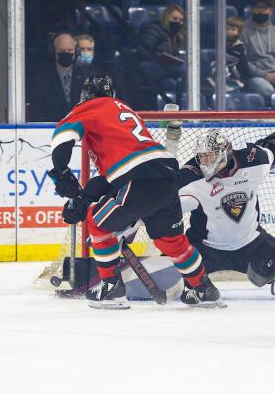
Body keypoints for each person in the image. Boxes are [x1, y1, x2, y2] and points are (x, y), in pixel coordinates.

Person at [48, 75, 221, 308]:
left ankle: (111, 288)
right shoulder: (124, 111)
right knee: (171, 240)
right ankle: (203, 288)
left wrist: (60, 171)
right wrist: (84, 197)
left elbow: (62, 136)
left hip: (139, 178)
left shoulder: (89, 107)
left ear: (86, 95)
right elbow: (112, 175)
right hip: (167, 174)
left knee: (96, 221)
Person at [178, 127, 275, 283]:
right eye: (202, 157)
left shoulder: (255, 160)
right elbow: (162, 207)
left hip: (252, 244)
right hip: (204, 249)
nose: (205, 162)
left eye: (210, 156)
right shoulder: (189, 177)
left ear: (224, 152)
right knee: (169, 276)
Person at [28, 32, 88, 122]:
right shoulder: (40, 81)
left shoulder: (86, 79)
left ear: (76, 51)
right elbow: (37, 114)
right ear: (53, 51)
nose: (66, 53)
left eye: (70, 50)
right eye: (62, 50)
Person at [138, 5, 186, 92]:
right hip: (147, 66)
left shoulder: (176, 37)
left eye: (181, 20)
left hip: (164, 69)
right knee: (184, 70)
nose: (178, 22)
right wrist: (160, 57)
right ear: (166, 18)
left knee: (171, 84)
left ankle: (180, 103)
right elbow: (143, 51)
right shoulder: (155, 29)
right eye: (174, 19)